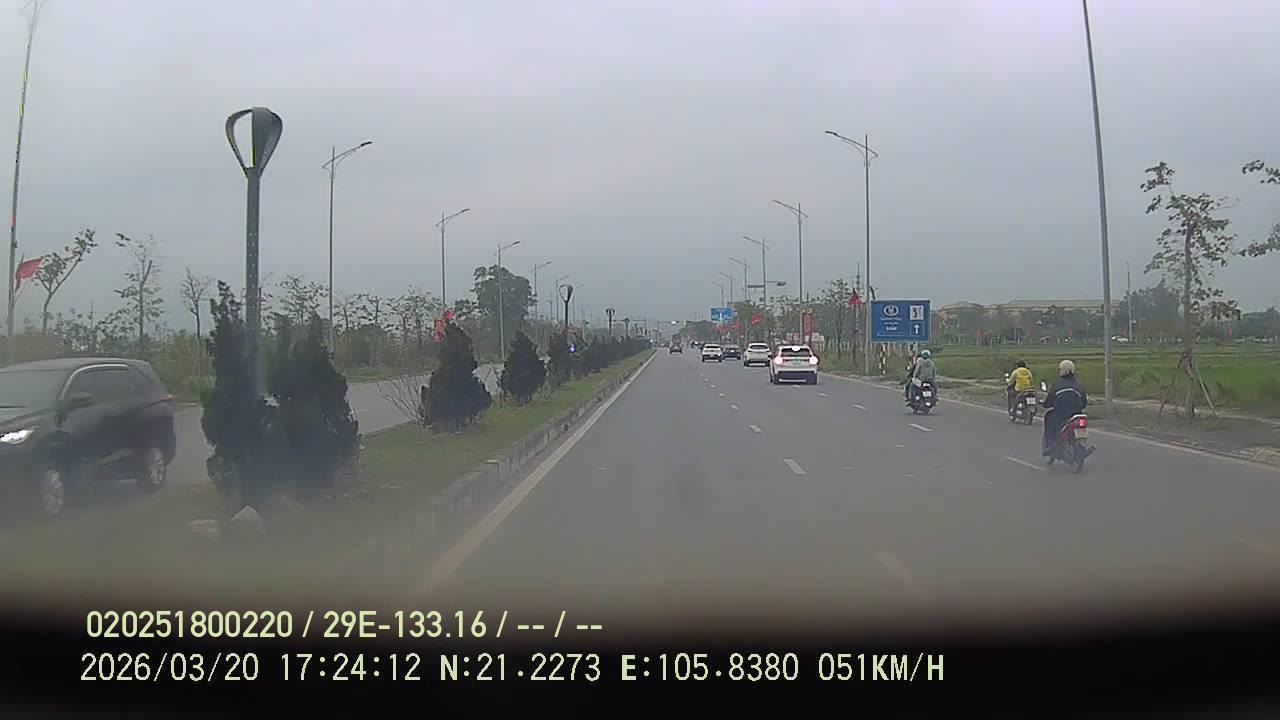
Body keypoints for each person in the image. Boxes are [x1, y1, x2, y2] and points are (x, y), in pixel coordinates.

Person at [1042, 359, 1087, 455]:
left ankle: (1051, 445)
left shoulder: (1057, 384)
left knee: (1049, 420)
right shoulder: (1078, 384)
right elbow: (1084, 402)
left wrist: (1045, 404)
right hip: (1076, 414)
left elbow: (1049, 401)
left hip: (1061, 413)